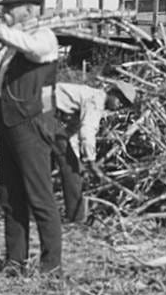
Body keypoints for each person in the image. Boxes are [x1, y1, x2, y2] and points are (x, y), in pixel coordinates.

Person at [0, 0, 62, 277]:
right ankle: (15, 261)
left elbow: (36, 51)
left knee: (40, 196)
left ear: (28, 9)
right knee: (10, 195)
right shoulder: (15, 40)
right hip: (8, 123)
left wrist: (1, 32)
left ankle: (51, 267)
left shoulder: (43, 36)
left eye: (8, 10)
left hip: (32, 124)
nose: (4, 15)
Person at [54, 80, 137, 223]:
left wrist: (78, 159)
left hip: (43, 107)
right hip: (42, 107)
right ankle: (76, 217)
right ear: (112, 93)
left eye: (124, 104)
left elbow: (73, 134)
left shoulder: (90, 99)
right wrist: (91, 163)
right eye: (120, 100)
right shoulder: (95, 101)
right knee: (70, 170)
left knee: (64, 164)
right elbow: (87, 133)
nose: (120, 105)